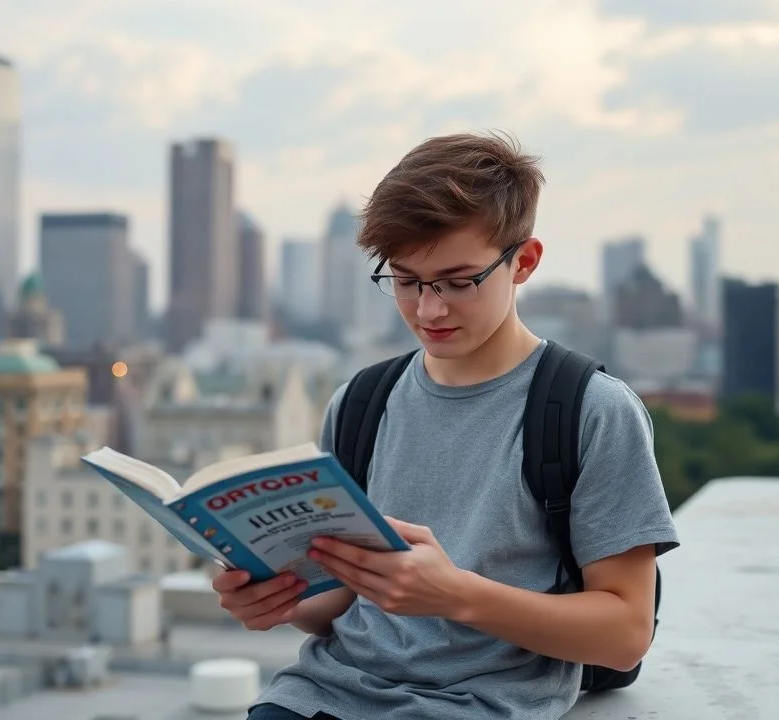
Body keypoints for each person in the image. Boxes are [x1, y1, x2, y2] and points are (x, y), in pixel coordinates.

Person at [212, 131, 681, 720]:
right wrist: (276, 598)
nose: (429, 310)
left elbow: (625, 632)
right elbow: (344, 602)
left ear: (524, 262)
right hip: (320, 696)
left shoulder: (591, 411)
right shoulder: (361, 402)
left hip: (483, 705)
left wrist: (456, 595)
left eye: (460, 282)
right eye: (405, 281)